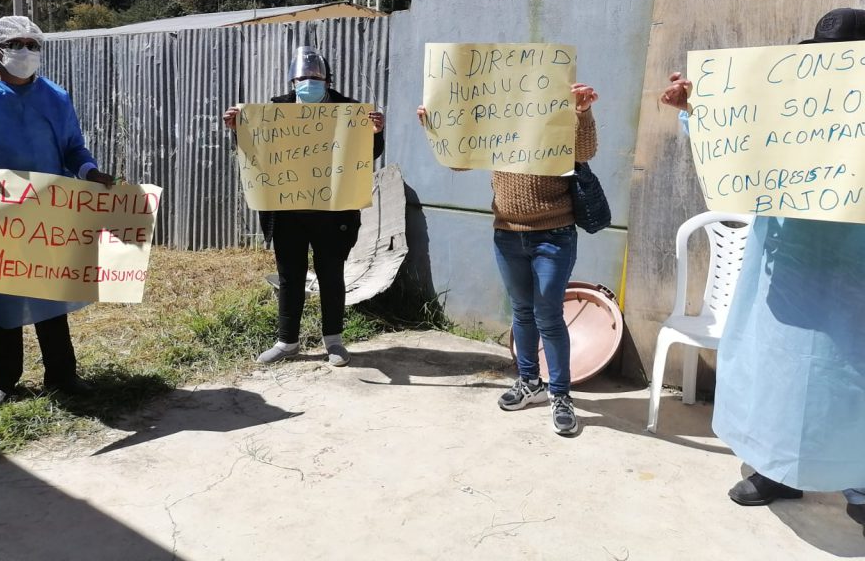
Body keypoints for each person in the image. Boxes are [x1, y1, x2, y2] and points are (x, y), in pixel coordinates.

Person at [660, 7, 865, 558]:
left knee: (857, 385)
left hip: (861, 279)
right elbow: (732, 146)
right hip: (786, 270)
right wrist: (695, 111)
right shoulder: (783, 100)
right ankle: (776, 471)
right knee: (776, 375)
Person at [0, 15, 116, 409]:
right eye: (16, 44)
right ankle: (0, 380)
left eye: (33, 44)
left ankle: (62, 375)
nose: (26, 51)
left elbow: (73, 148)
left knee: (49, 289)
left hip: (44, 213)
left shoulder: (55, 97)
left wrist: (89, 171)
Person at [417, 82, 600, 435]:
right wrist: (435, 129)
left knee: (548, 315)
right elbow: (460, 161)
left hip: (554, 235)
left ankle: (560, 394)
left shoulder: (556, 115)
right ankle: (529, 381)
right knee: (522, 312)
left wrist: (582, 111)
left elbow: (585, 150)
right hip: (507, 234)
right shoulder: (496, 119)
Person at [223, 45, 385, 367]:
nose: (309, 82)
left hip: (333, 213)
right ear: (292, 81)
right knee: (289, 277)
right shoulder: (275, 110)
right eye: (302, 78)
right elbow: (256, 151)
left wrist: (376, 133)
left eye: (316, 77)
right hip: (287, 214)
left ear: (327, 81)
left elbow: (369, 154)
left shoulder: (350, 111)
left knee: (331, 275)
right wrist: (237, 129)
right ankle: (287, 342)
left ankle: (334, 341)